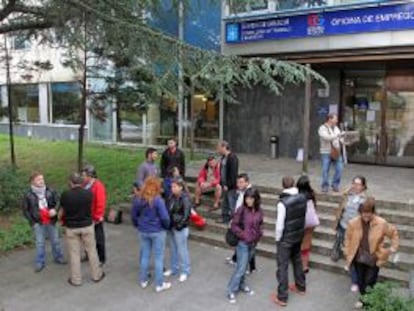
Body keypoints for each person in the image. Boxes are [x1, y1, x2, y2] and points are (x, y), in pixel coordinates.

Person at [344, 197, 399, 309]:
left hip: (374, 257)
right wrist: (347, 253)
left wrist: (393, 247)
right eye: (364, 213)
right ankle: (365, 298)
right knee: (360, 282)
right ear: (360, 212)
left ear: (373, 212)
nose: (366, 216)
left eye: (369, 213)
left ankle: (367, 302)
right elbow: (348, 239)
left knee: (369, 281)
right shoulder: (353, 223)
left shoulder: (381, 223)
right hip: (358, 257)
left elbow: (393, 233)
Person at [59, 173, 105, 286]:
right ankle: (97, 275)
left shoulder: (65, 195)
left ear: (71, 182)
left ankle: (76, 280)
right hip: (87, 226)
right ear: (81, 182)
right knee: (92, 251)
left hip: (71, 227)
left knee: (74, 254)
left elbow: (62, 211)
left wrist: (62, 222)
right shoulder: (88, 194)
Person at [131, 177, 171, 293]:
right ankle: (160, 284)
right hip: (157, 231)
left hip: (143, 230)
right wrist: (165, 226)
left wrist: (138, 225)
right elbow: (165, 217)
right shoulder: (158, 200)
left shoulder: (138, 199)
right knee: (158, 258)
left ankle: (143, 280)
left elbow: (134, 216)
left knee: (145, 256)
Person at [272, 176, 307, 307]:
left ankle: (282, 297)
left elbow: (280, 224)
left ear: (283, 186)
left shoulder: (283, 202)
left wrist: (278, 238)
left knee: (282, 266)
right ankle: (301, 287)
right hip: (298, 235)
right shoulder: (303, 197)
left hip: (286, 238)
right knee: (297, 261)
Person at [22, 172, 66, 272]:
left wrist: (55, 209)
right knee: (40, 243)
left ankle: (58, 257)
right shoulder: (28, 195)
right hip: (38, 222)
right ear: (32, 181)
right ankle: (40, 262)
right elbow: (25, 210)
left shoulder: (50, 190)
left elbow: (59, 201)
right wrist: (33, 222)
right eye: (38, 179)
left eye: (42, 179)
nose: (42, 181)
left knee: (55, 240)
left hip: (51, 220)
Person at [331, 175, 368, 292]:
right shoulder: (348, 195)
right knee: (342, 243)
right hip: (343, 225)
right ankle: (341, 255)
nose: (356, 186)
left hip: (354, 231)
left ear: (363, 186)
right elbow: (340, 205)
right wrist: (347, 191)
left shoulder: (365, 199)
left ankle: (355, 281)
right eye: (354, 183)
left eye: (358, 184)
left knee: (351, 254)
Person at [227, 188, 263, 304]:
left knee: (245, 265)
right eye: (247, 198)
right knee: (241, 268)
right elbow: (234, 225)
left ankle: (242, 285)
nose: (248, 200)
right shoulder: (241, 210)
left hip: (253, 243)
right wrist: (243, 235)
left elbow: (260, 224)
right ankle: (231, 290)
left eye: (251, 198)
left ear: (256, 199)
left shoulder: (259, 210)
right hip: (243, 243)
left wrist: (259, 233)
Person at [226, 174, 256, 273]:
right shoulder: (243, 191)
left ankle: (249, 267)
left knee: (247, 246)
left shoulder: (250, 193)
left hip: (245, 224)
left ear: (247, 182)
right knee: (243, 244)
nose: (239, 184)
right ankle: (236, 260)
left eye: (241, 182)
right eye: (238, 182)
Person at [164, 177, 192, 282]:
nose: (172, 188)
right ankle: (174, 268)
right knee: (173, 248)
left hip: (180, 227)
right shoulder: (171, 197)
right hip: (171, 226)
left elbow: (186, 215)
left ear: (180, 187)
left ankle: (185, 270)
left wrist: (180, 225)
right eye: (172, 186)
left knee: (182, 250)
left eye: (174, 186)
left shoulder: (185, 198)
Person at [81, 165, 107, 266]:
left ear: (90, 176)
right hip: (86, 216)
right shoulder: (84, 185)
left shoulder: (98, 186)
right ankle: (88, 254)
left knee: (98, 238)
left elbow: (101, 202)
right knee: (86, 238)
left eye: (84, 175)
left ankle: (101, 258)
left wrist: (97, 216)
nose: (82, 177)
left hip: (95, 217)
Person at [296, 175, 320, 274]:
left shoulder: (297, 195)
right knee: (307, 243)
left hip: (300, 222)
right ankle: (305, 266)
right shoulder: (312, 194)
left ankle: (298, 263)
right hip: (311, 221)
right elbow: (315, 206)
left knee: (298, 244)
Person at [318, 113, 344, 193]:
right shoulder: (322, 128)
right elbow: (326, 137)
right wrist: (338, 135)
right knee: (325, 170)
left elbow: (340, 139)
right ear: (330, 119)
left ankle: (335, 184)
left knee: (340, 168)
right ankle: (325, 186)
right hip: (326, 152)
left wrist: (343, 140)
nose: (337, 121)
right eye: (335, 119)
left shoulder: (336, 128)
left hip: (336, 151)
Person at [216, 140, 239, 224]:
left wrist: (228, 185)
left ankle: (233, 220)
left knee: (231, 203)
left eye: (219, 148)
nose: (217, 150)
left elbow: (233, 173)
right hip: (224, 184)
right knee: (225, 202)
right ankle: (225, 218)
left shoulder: (232, 158)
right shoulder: (223, 158)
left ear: (224, 147)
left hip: (230, 186)